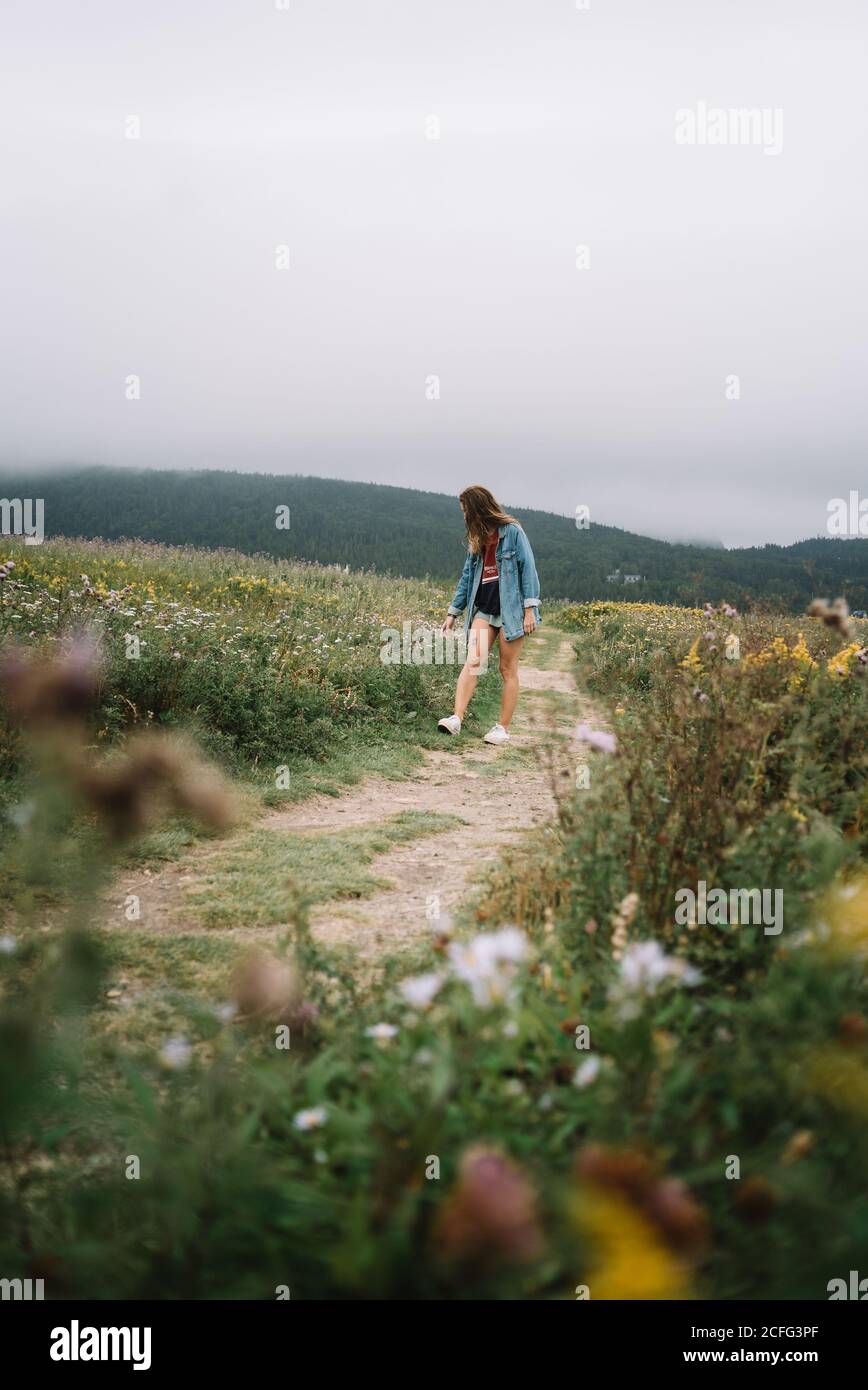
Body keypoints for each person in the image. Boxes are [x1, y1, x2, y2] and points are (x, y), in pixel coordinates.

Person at [438, 485, 540, 745]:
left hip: (512, 611)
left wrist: (530, 610)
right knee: (473, 661)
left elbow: (528, 569)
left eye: (465, 510)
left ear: (476, 508)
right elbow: (466, 577)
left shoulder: (513, 532)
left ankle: (502, 728)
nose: (463, 516)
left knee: (507, 669)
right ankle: (456, 719)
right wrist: (453, 612)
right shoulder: (477, 539)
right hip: (484, 607)